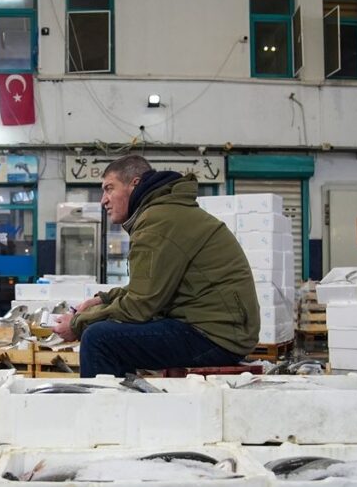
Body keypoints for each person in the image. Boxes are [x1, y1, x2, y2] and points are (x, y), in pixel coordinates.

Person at [52, 155, 260, 377]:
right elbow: (148, 286)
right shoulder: (165, 212)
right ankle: (128, 396)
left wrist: (77, 324)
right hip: (220, 329)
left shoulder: (157, 221)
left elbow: (140, 305)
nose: (104, 200)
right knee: (109, 332)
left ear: (134, 184)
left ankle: (109, 401)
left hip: (216, 336)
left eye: (109, 189)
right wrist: (102, 300)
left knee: (99, 338)